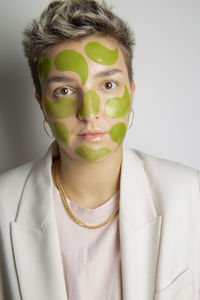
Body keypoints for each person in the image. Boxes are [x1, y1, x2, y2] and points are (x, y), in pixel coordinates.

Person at [0, 0, 199, 299]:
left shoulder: (190, 196)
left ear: (131, 93)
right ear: (41, 103)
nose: (89, 112)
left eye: (107, 85)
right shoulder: (3, 206)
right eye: (64, 91)